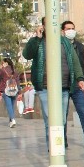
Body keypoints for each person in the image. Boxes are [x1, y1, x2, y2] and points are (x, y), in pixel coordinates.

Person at [30, 21, 80, 149]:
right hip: (45, 87)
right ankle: (53, 149)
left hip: (63, 87)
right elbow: (27, 54)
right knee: (49, 120)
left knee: (62, 120)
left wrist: (80, 77)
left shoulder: (65, 42)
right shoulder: (39, 42)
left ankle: (59, 146)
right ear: (43, 27)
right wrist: (37, 38)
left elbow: (74, 60)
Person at [62, 20, 84, 148]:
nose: (70, 31)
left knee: (82, 111)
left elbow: (82, 66)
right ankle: (63, 140)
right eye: (67, 29)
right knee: (63, 114)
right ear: (62, 31)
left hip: (77, 85)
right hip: (64, 84)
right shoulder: (60, 45)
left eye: (72, 28)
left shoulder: (79, 46)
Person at [0, 57, 19, 128]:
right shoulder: (15, 70)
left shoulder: (2, 70)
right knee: (12, 106)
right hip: (14, 90)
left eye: (3, 62)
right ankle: (11, 121)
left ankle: (13, 119)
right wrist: (19, 92)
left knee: (9, 106)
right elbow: (18, 82)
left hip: (6, 90)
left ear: (6, 63)